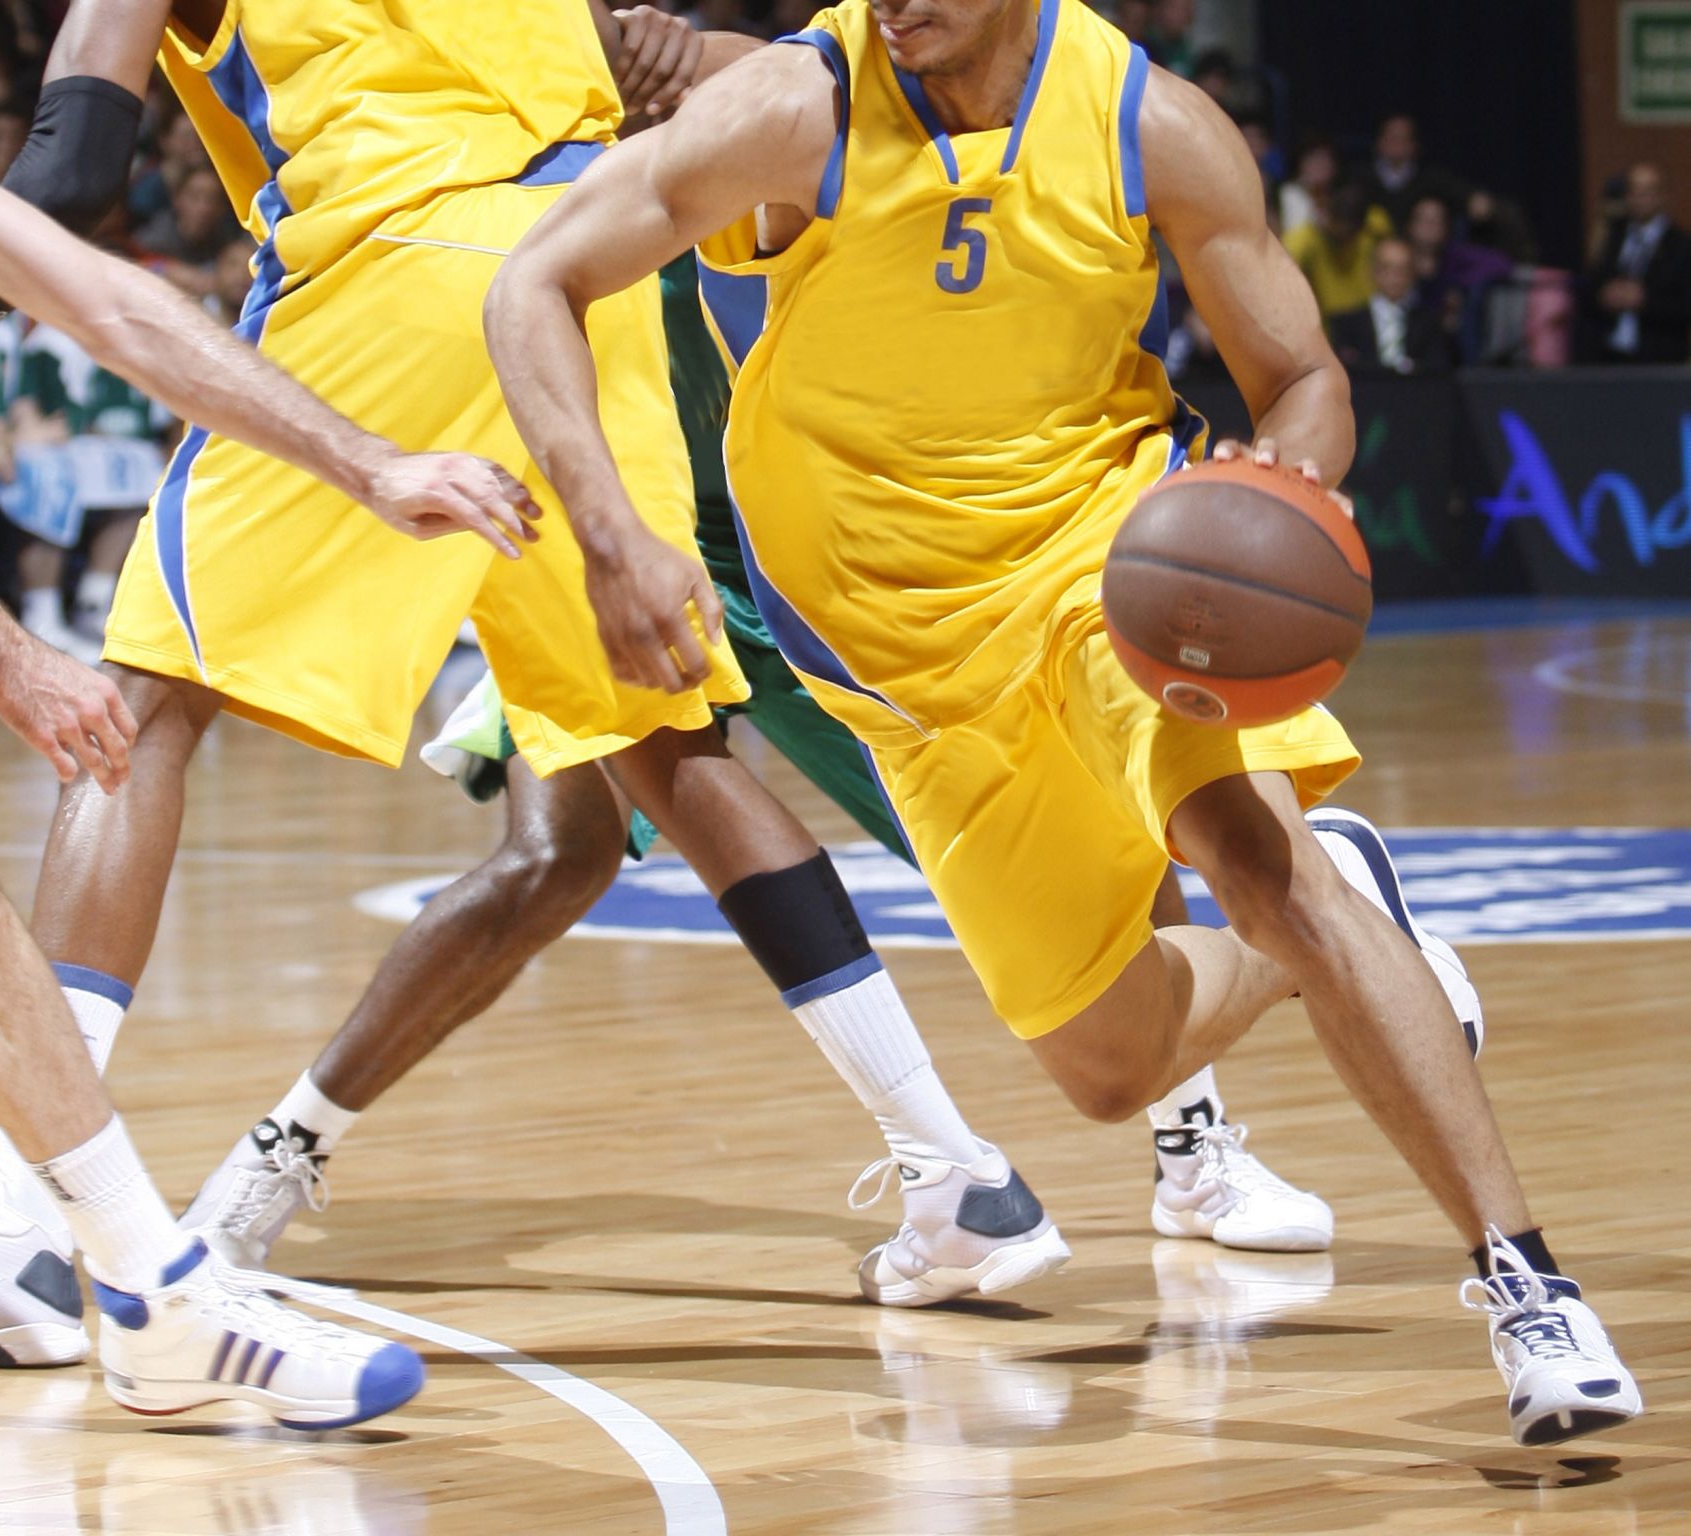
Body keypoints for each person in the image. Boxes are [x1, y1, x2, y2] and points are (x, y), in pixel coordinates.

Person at [0, 0, 1059, 1377]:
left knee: (142, 712)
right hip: (600, 272)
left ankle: (21, 1235)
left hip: (402, 257)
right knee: (669, 740)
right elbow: (637, 55)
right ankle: (953, 1171)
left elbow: (74, 153)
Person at [482, 0, 1642, 1448]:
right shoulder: (802, 106)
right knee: (1107, 1068)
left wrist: (1287, 479)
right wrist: (608, 532)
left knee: (1254, 863)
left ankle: (1529, 1290)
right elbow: (532, 282)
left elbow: (1304, 381)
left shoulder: (1151, 125)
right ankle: (1341, 927)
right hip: (892, 659)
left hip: (1108, 576)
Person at [180, 254, 1334, 1281]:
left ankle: (1190, 1154)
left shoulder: (744, 114)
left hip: (809, 559)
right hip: (622, 547)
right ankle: (287, 1148)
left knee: (1088, 826)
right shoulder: (523, 180)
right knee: (552, 855)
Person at [0, 0, 550, 1507]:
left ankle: (155, 1303)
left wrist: (365, 462)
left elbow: (113, 308)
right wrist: (4, 651)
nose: (9, 9)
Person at [1578, 163, 1691, 366]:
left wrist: (1644, 300)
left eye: (1647, 192)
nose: (1640, 199)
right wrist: (1605, 294)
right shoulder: (1611, 237)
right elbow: (1588, 287)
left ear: (1663, 195)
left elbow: (1684, 305)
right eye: (1634, 192)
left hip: (1659, 356)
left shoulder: (1681, 246)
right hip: (1607, 356)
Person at [1330, 236, 1451, 375]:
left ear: (1412, 274)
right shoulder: (1346, 324)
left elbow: (1437, 369)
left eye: (1402, 270)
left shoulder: (1429, 323)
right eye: (1387, 268)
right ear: (1374, 271)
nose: (1394, 277)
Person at [1283, 180, 1390, 319]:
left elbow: (1381, 224)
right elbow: (1287, 257)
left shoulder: (1373, 229)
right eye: (1336, 236)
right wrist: (1313, 229)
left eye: (1347, 236)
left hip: (1366, 316)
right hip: (1327, 319)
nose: (1342, 240)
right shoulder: (1308, 238)